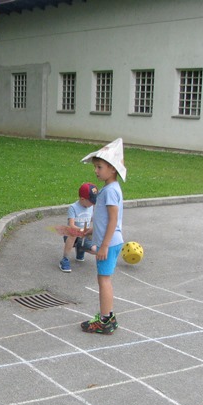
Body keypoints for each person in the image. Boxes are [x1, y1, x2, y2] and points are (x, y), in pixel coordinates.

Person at [78, 138, 126, 334]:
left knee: (104, 279)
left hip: (110, 242)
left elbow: (113, 220)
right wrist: (91, 231)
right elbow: (104, 219)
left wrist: (104, 245)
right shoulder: (109, 189)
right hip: (109, 240)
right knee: (103, 278)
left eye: (99, 167)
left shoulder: (111, 191)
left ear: (112, 169)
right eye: (95, 167)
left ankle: (105, 320)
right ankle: (107, 316)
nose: (96, 171)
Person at [59, 182, 98, 273]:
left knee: (96, 250)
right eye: (92, 201)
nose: (94, 203)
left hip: (85, 235)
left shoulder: (91, 207)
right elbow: (71, 225)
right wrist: (81, 231)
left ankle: (81, 249)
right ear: (82, 199)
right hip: (73, 234)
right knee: (73, 233)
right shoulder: (73, 208)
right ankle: (65, 259)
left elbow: (92, 219)